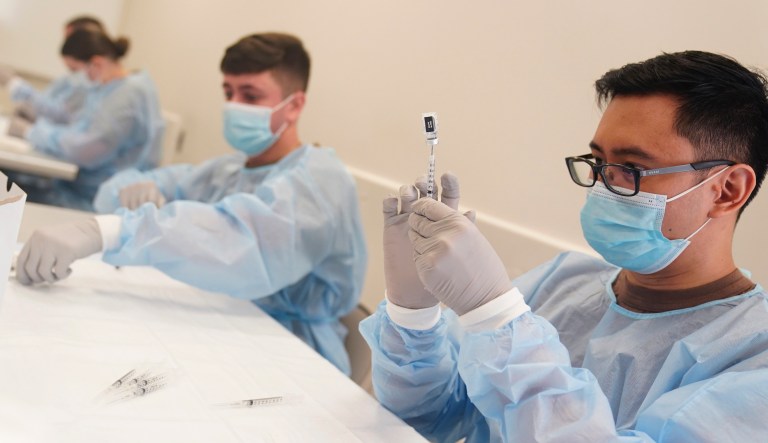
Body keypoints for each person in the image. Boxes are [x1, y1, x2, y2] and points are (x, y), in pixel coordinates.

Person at [361, 50, 768, 442]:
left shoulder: (752, 358)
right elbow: (432, 418)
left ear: (727, 190)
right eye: (597, 163)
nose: (603, 187)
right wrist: (413, 315)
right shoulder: (563, 281)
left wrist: (495, 315)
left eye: (630, 169)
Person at [15, 33, 367, 376]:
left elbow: (236, 241)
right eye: (228, 92)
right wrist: (138, 189)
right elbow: (125, 187)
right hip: (225, 319)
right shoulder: (229, 169)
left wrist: (108, 230)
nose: (234, 106)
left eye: (250, 95)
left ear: (295, 105)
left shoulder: (320, 179)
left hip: (294, 354)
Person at [5, 28, 164, 211]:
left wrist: (31, 132)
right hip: (81, 187)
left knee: (9, 189)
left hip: (96, 199)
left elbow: (86, 149)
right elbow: (78, 127)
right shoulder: (108, 89)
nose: (73, 78)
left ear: (96, 63)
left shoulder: (128, 95)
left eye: (74, 70)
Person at [0, 16, 105, 124]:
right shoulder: (70, 78)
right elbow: (46, 105)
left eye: (71, 41)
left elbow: (61, 115)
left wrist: (14, 84)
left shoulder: (90, 81)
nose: (68, 46)